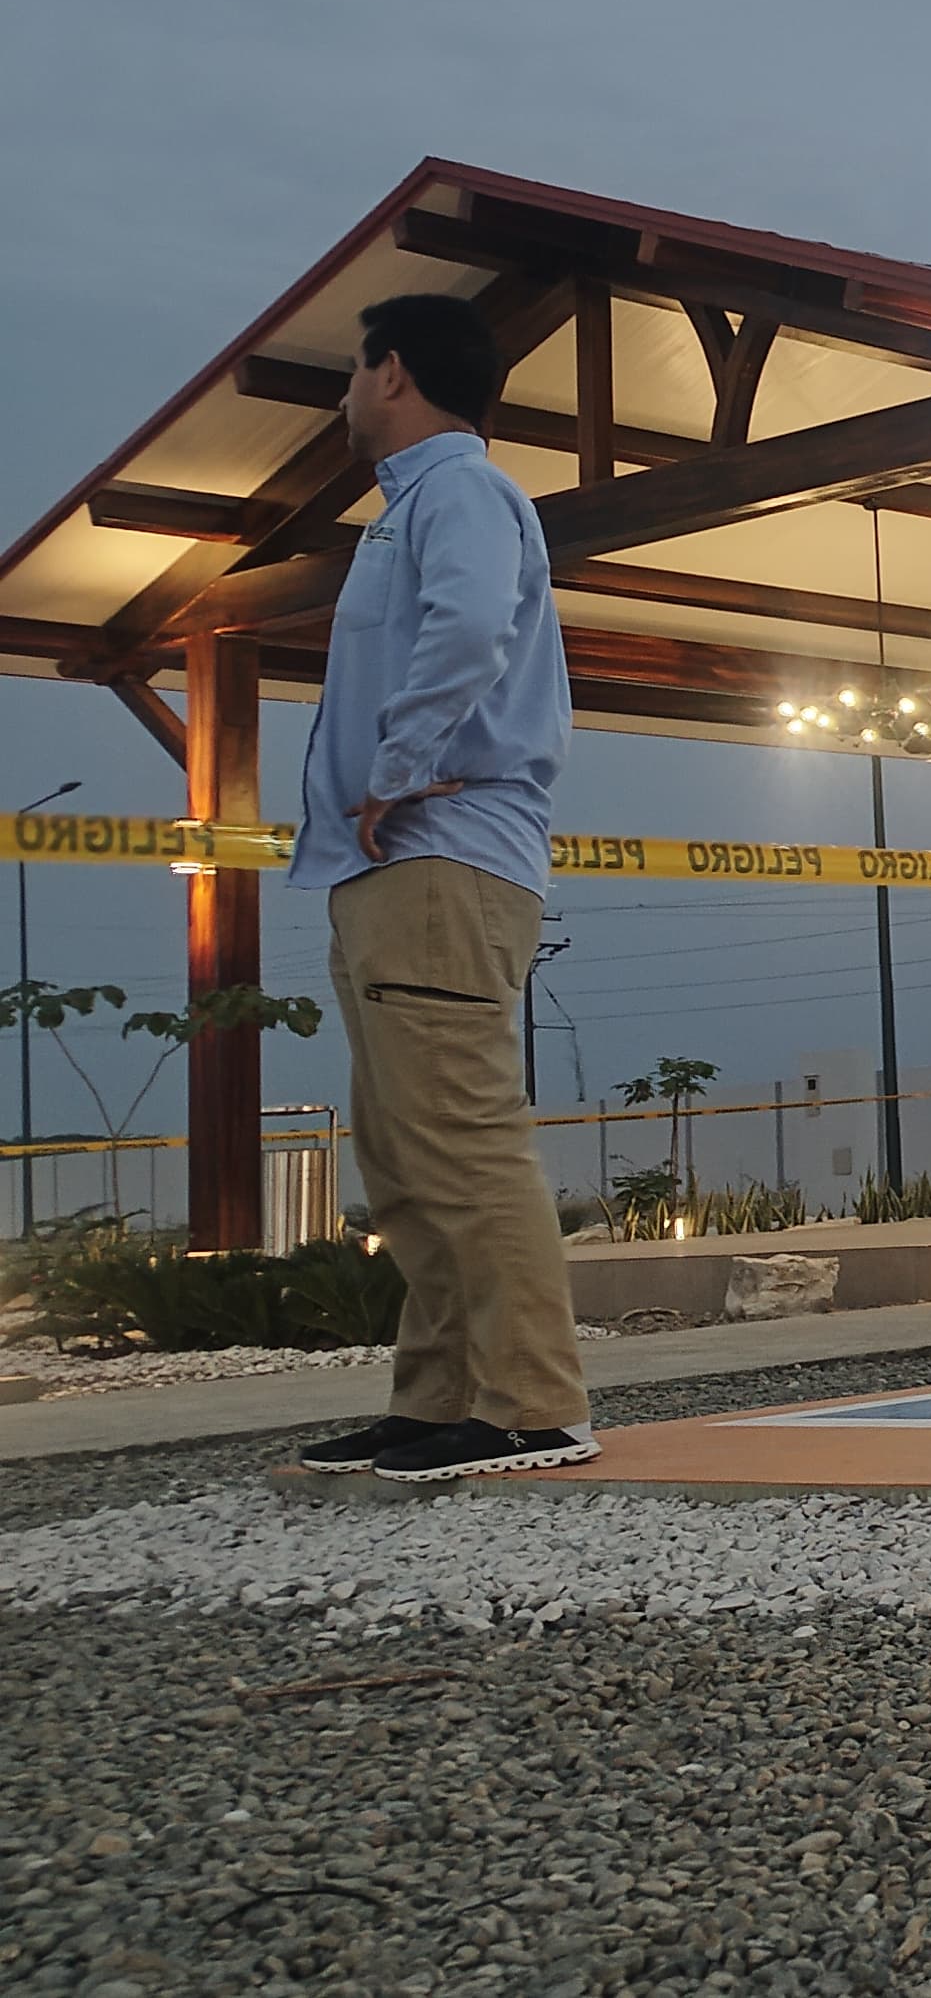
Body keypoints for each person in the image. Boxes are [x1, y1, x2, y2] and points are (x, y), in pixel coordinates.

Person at [287, 293, 594, 1482]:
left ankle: (532, 1404)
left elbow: (468, 627)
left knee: (460, 1140)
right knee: (404, 1156)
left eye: (355, 371)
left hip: (440, 845)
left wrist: (398, 766)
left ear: (395, 373)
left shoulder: (460, 491)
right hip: (393, 862)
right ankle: (439, 1399)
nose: (345, 393)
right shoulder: (407, 509)